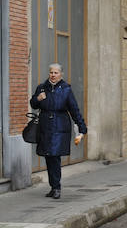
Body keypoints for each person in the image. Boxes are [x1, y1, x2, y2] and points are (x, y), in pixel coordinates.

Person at [30, 63, 87, 199]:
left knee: (54, 157)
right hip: (45, 127)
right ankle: (53, 186)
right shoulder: (42, 87)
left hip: (59, 126)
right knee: (48, 156)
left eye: (56, 73)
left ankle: (56, 187)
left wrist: (82, 127)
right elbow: (33, 104)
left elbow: (74, 110)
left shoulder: (66, 89)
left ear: (61, 74)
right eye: (51, 72)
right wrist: (38, 98)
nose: (53, 75)